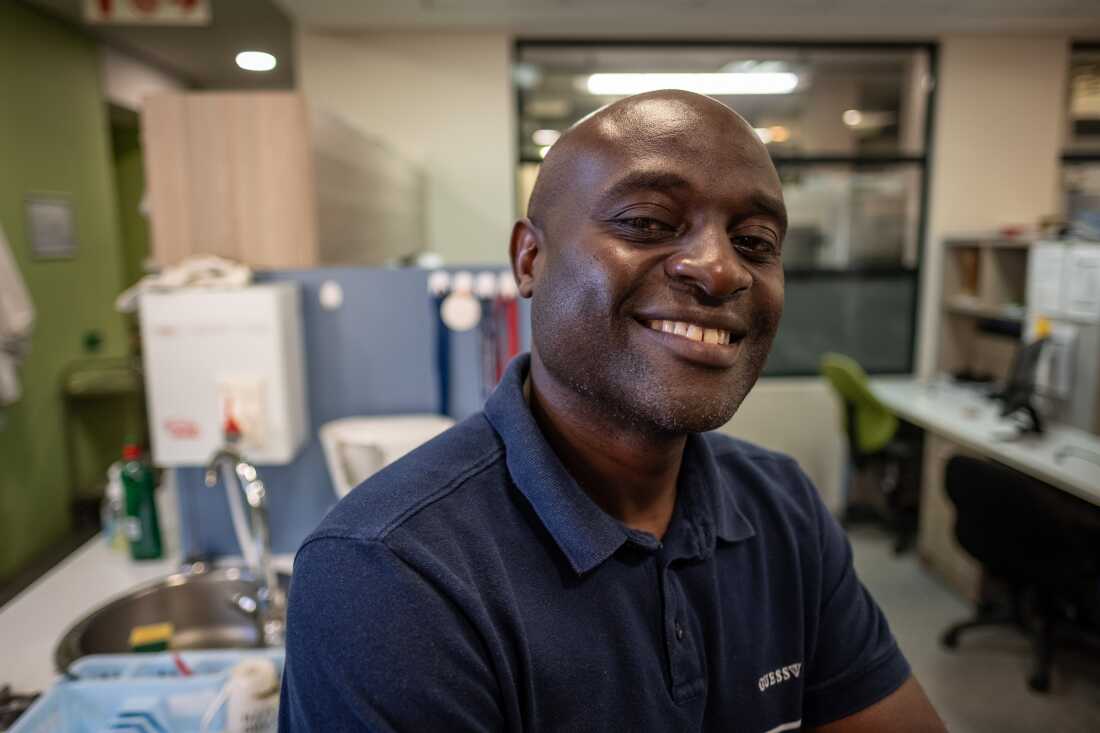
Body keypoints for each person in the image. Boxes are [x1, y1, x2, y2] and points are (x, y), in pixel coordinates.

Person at [279, 90, 946, 732]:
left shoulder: (782, 507)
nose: (721, 270)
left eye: (756, 241)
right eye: (649, 223)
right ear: (530, 257)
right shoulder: (389, 574)